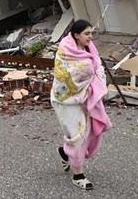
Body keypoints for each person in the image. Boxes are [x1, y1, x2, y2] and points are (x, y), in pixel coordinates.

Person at [51, 20, 112, 191]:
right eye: (87, 33)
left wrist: (95, 82)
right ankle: (78, 175)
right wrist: (89, 74)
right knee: (78, 135)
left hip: (86, 97)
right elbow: (64, 75)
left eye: (91, 33)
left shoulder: (90, 49)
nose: (90, 37)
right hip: (66, 100)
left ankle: (64, 152)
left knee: (87, 132)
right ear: (76, 35)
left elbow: (98, 68)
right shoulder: (64, 51)